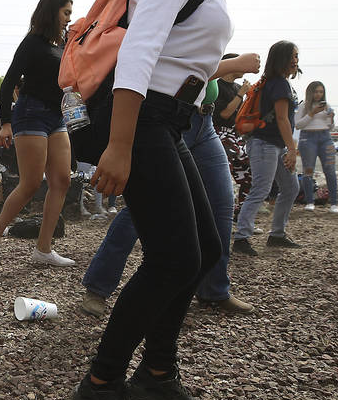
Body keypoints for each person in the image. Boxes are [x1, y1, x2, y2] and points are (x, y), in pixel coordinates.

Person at [72, 0, 290, 400]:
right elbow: (140, 50)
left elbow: (173, 56)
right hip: (142, 120)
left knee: (204, 248)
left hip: (169, 118)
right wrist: (119, 144)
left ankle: (158, 374)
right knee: (174, 256)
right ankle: (102, 382)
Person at [79, 55, 262, 319]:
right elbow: (185, 75)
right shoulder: (171, 18)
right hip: (171, 119)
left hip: (205, 124)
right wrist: (233, 64)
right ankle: (98, 288)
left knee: (221, 206)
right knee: (142, 208)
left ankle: (214, 289)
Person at [0, 0, 75, 267]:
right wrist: (6, 123)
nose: (69, 18)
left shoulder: (65, 43)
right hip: (30, 113)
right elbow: (9, 82)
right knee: (31, 182)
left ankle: (43, 249)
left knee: (62, 180)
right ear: (52, 12)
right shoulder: (32, 42)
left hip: (56, 116)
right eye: (66, 12)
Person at [232, 40, 301, 254]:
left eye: (297, 56)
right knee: (261, 189)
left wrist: (287, 147)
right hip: (265, 144)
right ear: (282, 59)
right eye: (293, 56)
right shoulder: (279, 84)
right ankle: (242, 238)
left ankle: (277, 234)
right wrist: (292, 149)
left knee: (290, 188)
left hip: (272, 145)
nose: (296, 60)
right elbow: (282, 119)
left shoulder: (273, 82)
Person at [212, 53, 254, 219]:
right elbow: (224, 113)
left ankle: (242, 215)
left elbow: (241, 117)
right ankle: (219, 214)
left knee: (248, 175)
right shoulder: (217, 86)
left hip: (236, 137)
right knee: (221, 178)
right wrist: (241, 94)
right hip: (220, 136)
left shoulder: (238, 88)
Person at [295, 80, 338, 213]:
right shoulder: (304, 106)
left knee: (330, 170)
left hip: (325, 137)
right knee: (308, 170)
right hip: (308, 138)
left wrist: (331, 118)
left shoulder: (326, 106)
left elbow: (330, 127)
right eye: (316, 91)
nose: (318, 94)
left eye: (321, 92)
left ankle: (334, 203)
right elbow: (298, 124)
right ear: (310, 92)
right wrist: (312, 113)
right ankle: (309, 201)